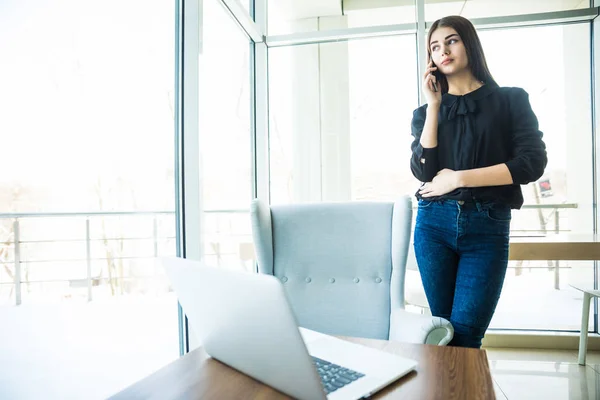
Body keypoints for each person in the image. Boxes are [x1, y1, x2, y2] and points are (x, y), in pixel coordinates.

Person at [409, 15, 547, 348]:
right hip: (433, 224)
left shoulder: (511, 100)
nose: (443, 50)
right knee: (442, 333)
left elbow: (531, 163)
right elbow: (425, 173)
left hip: (487, 225)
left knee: (467, 336)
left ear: (470, 43)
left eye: (452, 40)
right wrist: (434, 106)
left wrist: (458, 178)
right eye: (435, 46)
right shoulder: (425, 112)